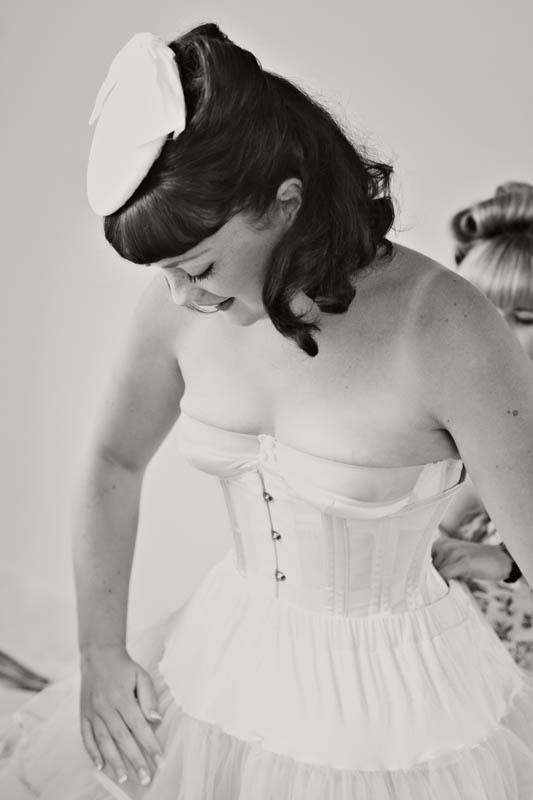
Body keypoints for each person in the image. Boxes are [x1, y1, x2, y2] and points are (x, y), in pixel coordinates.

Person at [1, 22, 533, 799]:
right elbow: (113, 460)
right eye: (166, 273)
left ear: (285, 203)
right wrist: (100, 653)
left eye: (197, 268)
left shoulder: (449, 329)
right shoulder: (176, 306)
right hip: (222, 656)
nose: (181, 296)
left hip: (401, 719)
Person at [432, 183, 533, 672]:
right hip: (449, 658)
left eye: (525, 316)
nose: (496, 334)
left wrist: (506, 563)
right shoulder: (433, 395)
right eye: (481, 313)